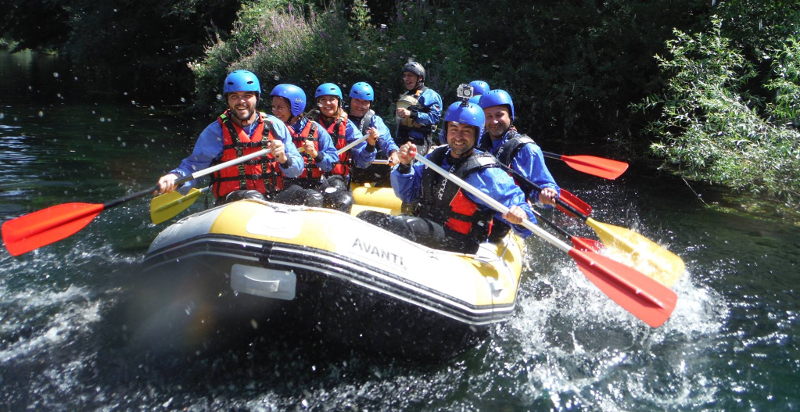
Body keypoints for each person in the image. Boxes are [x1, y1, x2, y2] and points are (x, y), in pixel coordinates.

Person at [359, 101, 536, 254]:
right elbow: (407, 195)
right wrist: (405, 166)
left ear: (477, 134)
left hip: (460, 242)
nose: (458, 136)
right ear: (446, 130)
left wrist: (521, 215)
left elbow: (523, 214)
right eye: (454, 129)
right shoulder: (436, 157)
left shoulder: (487, 173)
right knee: (367, 216)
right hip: (427, 227)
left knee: (401, 225)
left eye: (466, 131)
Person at [156, 70, 303, 204]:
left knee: (308, 196)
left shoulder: (275, 126)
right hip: (232, 200)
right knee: (254, 199)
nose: (241, 102)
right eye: (234, 97)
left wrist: (284, 159)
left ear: (256, 98)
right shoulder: (215, 132)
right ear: (227, 100)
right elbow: (193, 167)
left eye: (247, 96)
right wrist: (176, 177)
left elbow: (296, 170)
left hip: (272, 196)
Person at [478, 89, 560, 207]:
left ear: (510, 116)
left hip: (514, 210)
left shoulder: (528, 149)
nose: (494, 121)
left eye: (499, 115)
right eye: (488, 116)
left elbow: (545, 187)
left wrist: (546, 193)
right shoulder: (478, 143)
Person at [306, 82, 374, 211]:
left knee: (342, 199)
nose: (327, 103)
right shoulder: (308, 124)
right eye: (323, 100)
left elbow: (363, 161)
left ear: (339, 102)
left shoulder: (346, 126)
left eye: (332, 99)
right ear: (317, 103)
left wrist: (370, 146)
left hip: (336, 177)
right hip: (312, 177)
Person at [269, 83, 340, 207]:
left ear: (294, 108)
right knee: (311, 196)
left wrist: (316, 154)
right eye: (273, 107)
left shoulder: (316, 129)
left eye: (280, 107)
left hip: (315, 182)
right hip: (286, 184)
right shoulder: (271, 128)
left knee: (342, 199)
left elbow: (332, 163)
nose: (275, 111)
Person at [348, 81, 399, 186]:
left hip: (368, 168)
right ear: (350, 100)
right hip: (346, 169)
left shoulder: (374, 120)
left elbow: (387, 140)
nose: (360, 105)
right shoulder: (341, 119)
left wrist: (393, 152)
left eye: (365, 102)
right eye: (357, 100)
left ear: (370, 104)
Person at [394, 61, 442, 155]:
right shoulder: (406, 95)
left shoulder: (431, 95)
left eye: (410, 75)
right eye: (405, 75)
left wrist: (412, 114)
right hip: (402, 141)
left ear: (420, 78)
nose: (406, 79)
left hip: (419, 143)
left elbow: (434, 118)